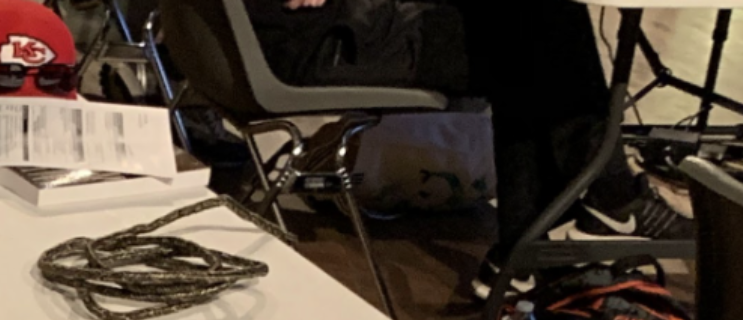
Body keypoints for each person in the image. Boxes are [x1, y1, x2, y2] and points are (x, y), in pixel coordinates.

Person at [243, 0, 690, 295]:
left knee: (530, 28)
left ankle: (525, 253)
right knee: (536, 30)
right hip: (317, 41)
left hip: (316, 31)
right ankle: (602, 203)